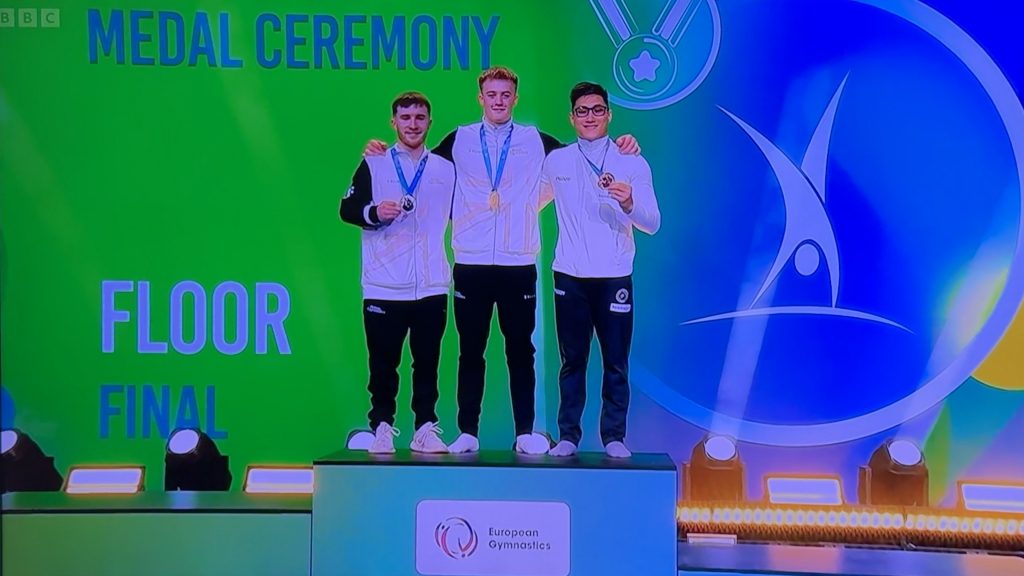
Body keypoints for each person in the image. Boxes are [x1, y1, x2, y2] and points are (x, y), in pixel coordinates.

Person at [365, 67, 639, 455]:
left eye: (506, 94)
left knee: (521, 350)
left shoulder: (535, 141)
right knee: (470, 350)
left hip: (518, 264)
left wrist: (624, 144)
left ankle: (525, 432)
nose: (498, 101)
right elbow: (418, 164)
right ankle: (467, 431)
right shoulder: (459, 139)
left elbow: (583, 154)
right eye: (491, 94)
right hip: (471, 263)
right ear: (481, 98)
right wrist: (381, 152)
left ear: (515, 98)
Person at [541, 82, 661, 458]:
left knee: (615, 362)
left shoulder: (632, 161)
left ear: (609, 114)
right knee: (572, 361)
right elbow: (527, 202)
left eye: (597, 110)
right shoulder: (557, 161)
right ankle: (568, 436)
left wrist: (629, 204)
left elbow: (652, 223)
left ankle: (614, 437)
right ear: (571, 117)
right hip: (570, 275)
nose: (589, 116)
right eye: (582, 110)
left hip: (614, 276)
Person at [339, 92, 456, 454]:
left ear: (430, 122)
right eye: (405, 118)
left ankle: (425, 429)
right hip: (384, 285)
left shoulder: (445, 169)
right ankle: (382, 428)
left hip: (431, 284)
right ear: (394, 123)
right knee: (383, 365)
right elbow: (348, 208)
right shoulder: (374, 163)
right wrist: (375, 212)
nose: (413, 124)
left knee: (427, 364)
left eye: (420, 117)